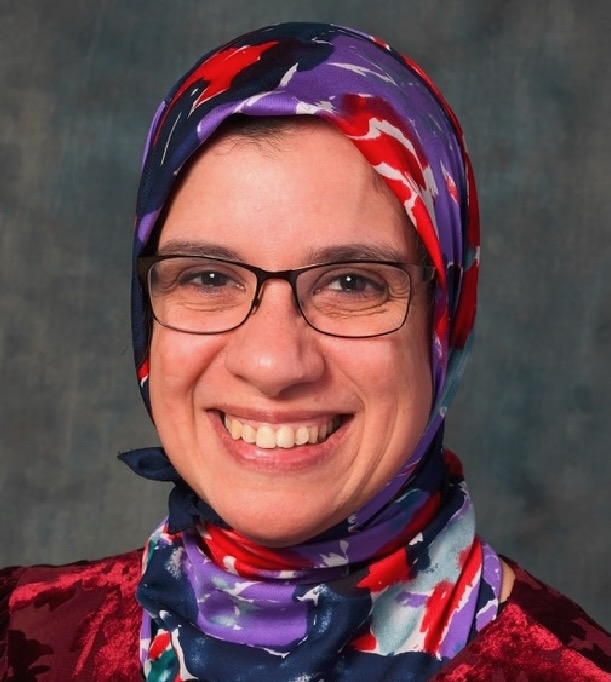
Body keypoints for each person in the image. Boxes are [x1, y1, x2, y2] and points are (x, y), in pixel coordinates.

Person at [1, 21, 609, 681]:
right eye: (208, 277)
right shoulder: (19, 640)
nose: (272, 364)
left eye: (351, 283)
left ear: (443, 324)